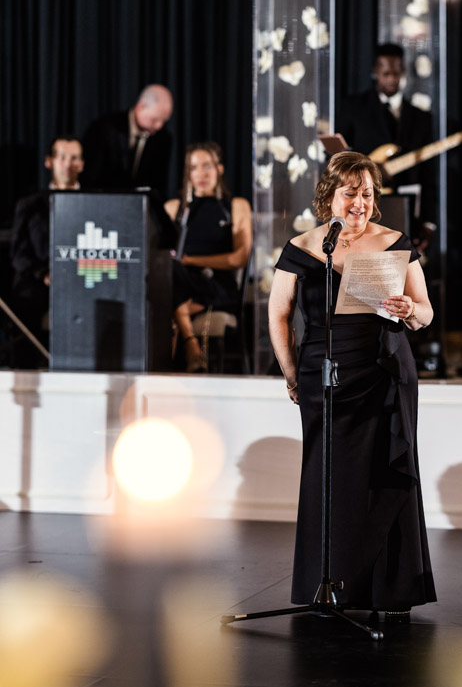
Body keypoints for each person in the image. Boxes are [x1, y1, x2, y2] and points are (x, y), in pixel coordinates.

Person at [268, 151, 437, 621]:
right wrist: (289, 371)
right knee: (329, 478)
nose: (360, 204)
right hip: (324, 372)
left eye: (367, 194)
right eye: (350, 193)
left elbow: (425, 312)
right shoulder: (303, 248)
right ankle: (330, 584)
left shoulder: (394, 243)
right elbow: (278, 313)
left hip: (382, 370)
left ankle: (390, 588)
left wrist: (410, 310)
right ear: (329, 196)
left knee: (384, 476)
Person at [336, 43, 436, 252]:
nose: (391, 79)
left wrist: (429, 222)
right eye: (386, 73)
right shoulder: (352, 108)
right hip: (361, 210)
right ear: (375, 72)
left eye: (396, 73)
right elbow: (338, 158)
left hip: (408, 213)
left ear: (404, 72)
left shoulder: (422, 118)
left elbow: (430, 175)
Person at [165, 141, 252, 373]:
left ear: (219, 169)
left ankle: (174, 361)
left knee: (165, 301)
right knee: (168, 273)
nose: (201, 174)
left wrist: (191, 261)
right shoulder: (174, 208)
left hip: (217, 285)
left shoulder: (235, 206)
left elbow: (238, 259)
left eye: (207, 166)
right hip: (181, 284)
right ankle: (191, 344)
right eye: (193, 168)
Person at [10, 135, 84, 363]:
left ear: (81, 164)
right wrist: (44, 274)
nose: (68, 164)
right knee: (24, 304)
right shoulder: (29, 205)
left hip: (83, 280)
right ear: (49, 161)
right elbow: (18, 255)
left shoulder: (94, 203)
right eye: (62, 157)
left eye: (74, 158)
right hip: (39, 283)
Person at [82, 84, 174, 196]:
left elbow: (158, 184)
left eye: (164, 121)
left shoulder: (162, 139)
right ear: (141, 107)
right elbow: (91, 176)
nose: (159, 126)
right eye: (154, 119)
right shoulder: (105, 128)